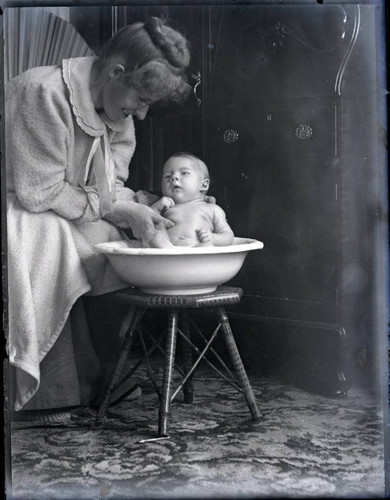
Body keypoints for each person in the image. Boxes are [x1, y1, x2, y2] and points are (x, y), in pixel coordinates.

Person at [5, 17, 194, 416]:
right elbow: (39, 191)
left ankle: (102, 380)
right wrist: (117, 208)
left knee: (114, 246)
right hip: (21, 204)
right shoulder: (42, 93)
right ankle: (50, 390)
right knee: (52, 237)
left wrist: (138, 210)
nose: (140, 115)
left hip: (61, 204)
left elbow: (110, 187)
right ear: (115, 73)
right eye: (139, 101)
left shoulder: (117, 117)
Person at [148, 153, 234, 247]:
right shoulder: (163, 208)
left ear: (203, 185)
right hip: (167, 253)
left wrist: (212, 238)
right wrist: (155, 208)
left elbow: (228, 236)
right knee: (153, 239)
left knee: (207, 246)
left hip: (197, 254)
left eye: (184, 173)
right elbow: (144, 226)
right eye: (168, 176)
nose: (174, 177)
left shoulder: (212, 209)